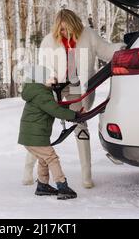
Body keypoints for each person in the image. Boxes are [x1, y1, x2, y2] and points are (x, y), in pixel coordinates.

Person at [22, 9, 126, 188]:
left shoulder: (88, 35)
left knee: (80, 125)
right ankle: (27, 171)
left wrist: (122, 48)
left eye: (68, 29)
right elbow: (45, 67)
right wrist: (51, 78)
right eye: (61, 30)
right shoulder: (49, 41)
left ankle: (87, 176)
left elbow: (107, 51)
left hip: (80, 89)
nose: (65, 33)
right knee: (42, 129)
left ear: (75, 25)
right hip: (56, 88)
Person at [18, 65, 84, 200]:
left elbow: (53, 106)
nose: (52, 78)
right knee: (52, 158)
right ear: (40, 79)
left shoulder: (37, 91)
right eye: (48, 76)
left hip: (34, 135)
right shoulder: (41, 93)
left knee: (44, 159)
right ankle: (62, 186)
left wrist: (71, 112)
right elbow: (54, 110)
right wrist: (74, 115)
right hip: (34, 136)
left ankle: (42, 185)